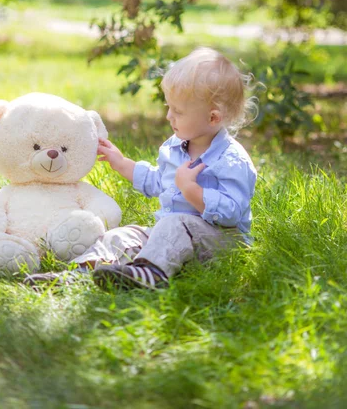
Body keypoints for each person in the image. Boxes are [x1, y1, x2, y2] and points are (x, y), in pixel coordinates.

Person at [24, 47, 257, 291]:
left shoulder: (231, 159)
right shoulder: (175, 146)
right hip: (169, 236)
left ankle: (150, 274)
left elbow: (232, 212)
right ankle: (78, 275)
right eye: (169, 107)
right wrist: (121, 162)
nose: (169, 116)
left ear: (212, 118)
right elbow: (158, 181)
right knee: (123, 236)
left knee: (177, 223)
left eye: (177, 111)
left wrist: (191, 190)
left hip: (219, 244)